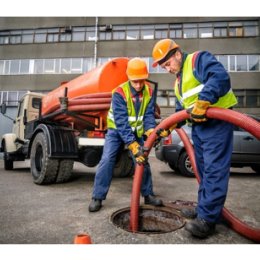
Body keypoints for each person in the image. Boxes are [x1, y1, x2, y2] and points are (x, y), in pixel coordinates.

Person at [152, 39, 237, 238]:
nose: (167, 69)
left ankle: (207, 219)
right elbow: (180, 112)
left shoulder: (198, 60)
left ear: (177, 54)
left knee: (215, 170)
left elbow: (220, 77)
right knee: (203, 170)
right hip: (199, 128)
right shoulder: (178, 83)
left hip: (217, 123)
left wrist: (204, 100)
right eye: (164, 66)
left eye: (168, 63)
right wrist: (168, 126)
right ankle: (204, 209)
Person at [88, 57, 165, 212]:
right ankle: (97, 197)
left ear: (145, 78)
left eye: (141, 81)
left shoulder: (149, 92)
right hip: (116, 131)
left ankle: (148, 194)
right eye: (135, 81)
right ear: (129, 78)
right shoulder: (119, 92)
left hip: (136, 131)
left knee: (142, 159)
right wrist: (132, 144)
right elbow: (121, 122)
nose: (138, 85)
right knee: (107, 159)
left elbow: (149, 115)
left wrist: (150, 130)